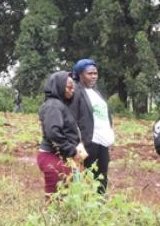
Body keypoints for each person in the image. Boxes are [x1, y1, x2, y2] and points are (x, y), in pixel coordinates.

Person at [36, 71, 88, 197]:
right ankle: (52, 217)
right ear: (58, 87)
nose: (72, 91)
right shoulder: (53, 106)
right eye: (69, 87)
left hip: (60, 156)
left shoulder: (59, 105)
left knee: (65, 194)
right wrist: (72, 151)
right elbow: (53, 132)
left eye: (73, 88)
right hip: (53, 157)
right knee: (55, 197)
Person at [69, 59, 114, 194]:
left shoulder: (96, 92)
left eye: (95, 73)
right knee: (87, 176)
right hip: (88, 141)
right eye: (90, 73)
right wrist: (77, 142)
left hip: (102, 142)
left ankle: (99, 204)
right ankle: (86, 205)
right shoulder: (76, 92)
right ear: (80, 75)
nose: (94, 76)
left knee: (102, 176)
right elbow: (72, 118)